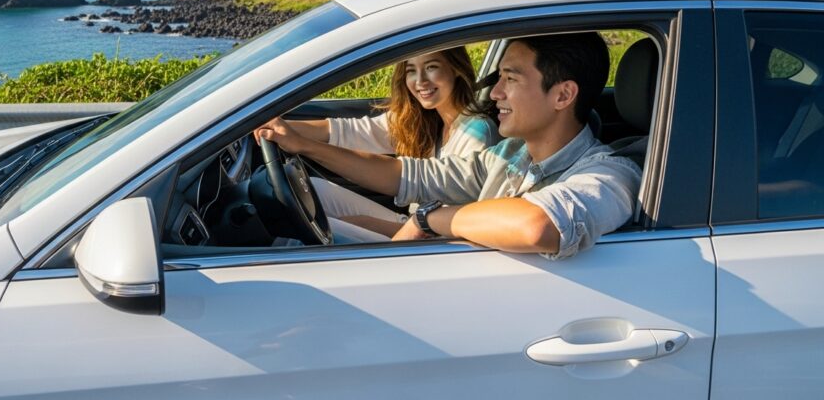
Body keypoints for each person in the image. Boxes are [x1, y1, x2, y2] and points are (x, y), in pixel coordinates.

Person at [257, 32, 643, 259]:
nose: (495, 93)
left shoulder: (610, 174)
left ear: (563, 95)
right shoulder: (510, 154)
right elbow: (409, 175)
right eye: (498, 78)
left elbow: (537, 225)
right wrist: (304, 145)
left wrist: (426, 219)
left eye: (510, 79)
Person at [282, 47, 499, 237]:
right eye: (411, 70)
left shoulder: (478, 133)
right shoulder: (426, 118)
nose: (420, 81)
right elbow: (351, 131)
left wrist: (372, 225)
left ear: (456, 69)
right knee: (312, 189)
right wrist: (277, 126)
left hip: (433, 241)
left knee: (328, 228)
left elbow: (457, 225)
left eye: (431, 67)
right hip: (415, 222)